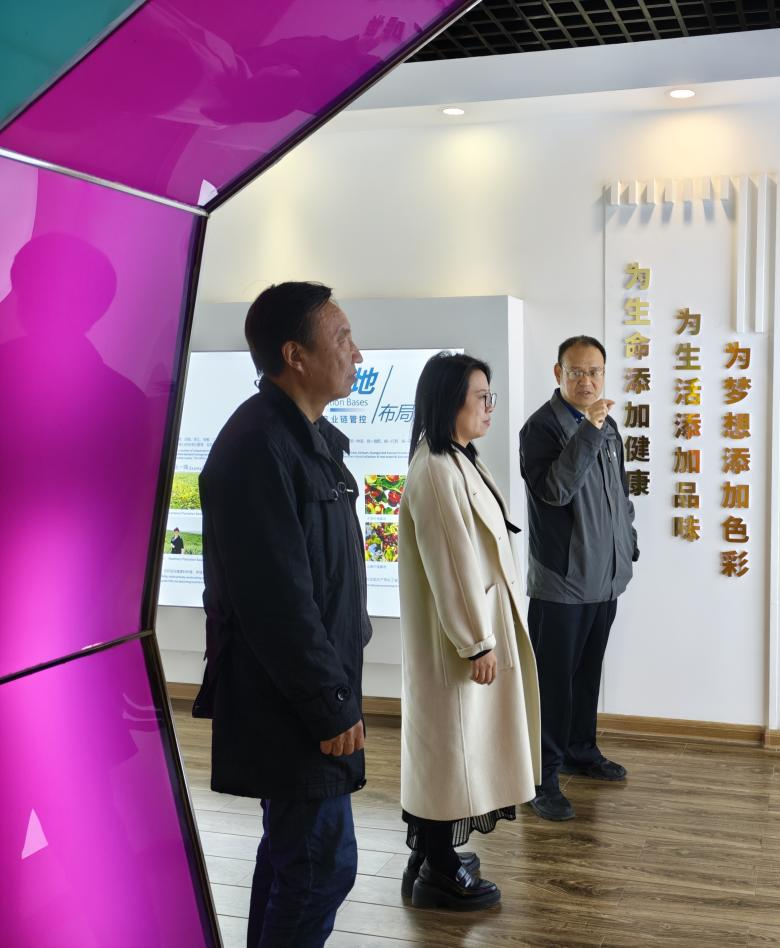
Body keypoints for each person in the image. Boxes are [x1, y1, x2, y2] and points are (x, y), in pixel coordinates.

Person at [193, 282, 371, 947]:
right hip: (291, 703)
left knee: (297, 858)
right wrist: (330, 703)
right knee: (321, 867)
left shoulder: (304, 438)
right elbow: (277, 602)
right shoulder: (258, 446)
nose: (356, 353)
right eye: (342, 338)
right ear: (295, 355)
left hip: (307, 693)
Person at [398, 352, 541, 911]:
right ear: (448, 401)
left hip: (470, 631)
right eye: (481, 397)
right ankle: (438, 867)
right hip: (458, 641)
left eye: (489, 396)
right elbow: (452, 565)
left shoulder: (457, 458)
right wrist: (476, 642)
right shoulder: (436, 469)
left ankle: (430, 854)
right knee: (451, 754)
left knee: (455, 750)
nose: (489, 407)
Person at [519, 335, 638, 821]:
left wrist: (628, 544)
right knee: (552, 685)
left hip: (605, 579)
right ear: (558, 373)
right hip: (562, 583)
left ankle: (580, 750)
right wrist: (588, 431)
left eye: (594, 372)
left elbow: (621, 495)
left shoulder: (609, 427)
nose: (586, 381)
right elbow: (554, 491)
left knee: (588, 674)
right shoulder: (541, 429)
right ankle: (540, 778)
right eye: (576, 372)